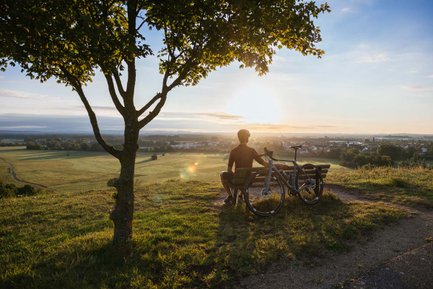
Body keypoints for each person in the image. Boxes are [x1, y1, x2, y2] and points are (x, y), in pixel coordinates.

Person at [220, 129, 268, 204]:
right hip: (249, 180)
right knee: (247, 176)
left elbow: (229, 169)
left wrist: (234, 176)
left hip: (237, 180)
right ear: (247, 138)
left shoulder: (234, 151)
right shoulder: (252, 150)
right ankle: (241, 195)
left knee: (222, 174)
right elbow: (263, 163)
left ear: (239, 138)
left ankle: (230, 195)